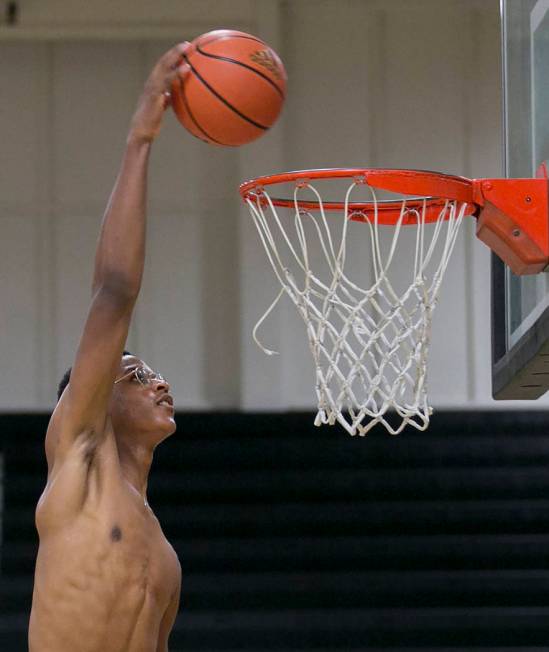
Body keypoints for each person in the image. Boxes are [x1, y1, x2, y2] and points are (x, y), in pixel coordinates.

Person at [28, 43, 191, 652]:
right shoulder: (79, 462)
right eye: (134, 375)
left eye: (150, 371)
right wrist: (142, 138)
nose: (157, 381)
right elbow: (115, 291)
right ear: (90, 401)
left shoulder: (165, 555)